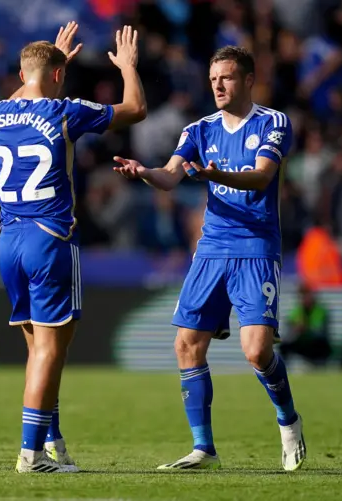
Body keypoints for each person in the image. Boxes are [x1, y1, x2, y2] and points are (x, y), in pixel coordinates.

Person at [114, 46, 305, 471]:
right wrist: (144, 172)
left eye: (228, 77)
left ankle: (288, 420)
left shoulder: (273, 122)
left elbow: (261, 177)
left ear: (249, 80)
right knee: (186, 344)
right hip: (212, 247)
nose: (217, 84)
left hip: (256, 247)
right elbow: (170, 175)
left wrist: (213, 174)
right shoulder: (199, 130)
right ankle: (204, 448)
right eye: (214, 77)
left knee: (256, 353)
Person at [0, 22, 146, 474]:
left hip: (8, 243)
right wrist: (129, 67)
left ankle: (52, 440)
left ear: (22, 73)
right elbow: (135, 108)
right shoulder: (64, 111)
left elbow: (28, 88)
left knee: (38, 348)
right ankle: (31, 454)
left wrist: (49, 63)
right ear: (59, 75)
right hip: (50, 238)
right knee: (51, 350)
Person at [280, 283, 331, 366]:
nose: (306, 299)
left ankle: (320, 366)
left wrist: (306, 329)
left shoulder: (320, 311)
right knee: (284, 345)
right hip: (300, 341)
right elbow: (289, 329)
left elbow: (321, 331)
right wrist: (295, 330)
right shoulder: (296, 310)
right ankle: (284, 367)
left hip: (314, 342)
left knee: (322, 344)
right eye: (304, 296)